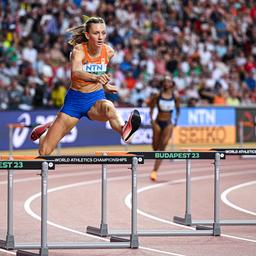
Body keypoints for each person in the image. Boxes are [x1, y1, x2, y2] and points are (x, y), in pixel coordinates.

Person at [30, 16, 141, 155]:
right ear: (87, 35)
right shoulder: (79, 50)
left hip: (95, 99)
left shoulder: (109, 52)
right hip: (74, 102)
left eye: (103, 33)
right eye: (96, 33)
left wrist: (105, 85)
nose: (101, 37)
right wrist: (97, 77)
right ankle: (46, 132)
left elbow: (101, 72)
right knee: (44, 151)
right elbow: (76, 73)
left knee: (109, 108)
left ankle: (125, 129)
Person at [147, 76, 180, 181]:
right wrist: (152, 120)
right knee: (155, 147)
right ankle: (155, 169)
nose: (167, 83)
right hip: (157, 122)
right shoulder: (158, 95)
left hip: (168, 123)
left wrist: (175, 122)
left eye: (169, 81)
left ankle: (154, 171)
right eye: (165, 81)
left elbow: (178, 110)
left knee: (162, 148)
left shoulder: (175, 97)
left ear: (172, 84)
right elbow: (151, 108)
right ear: (163, 83)